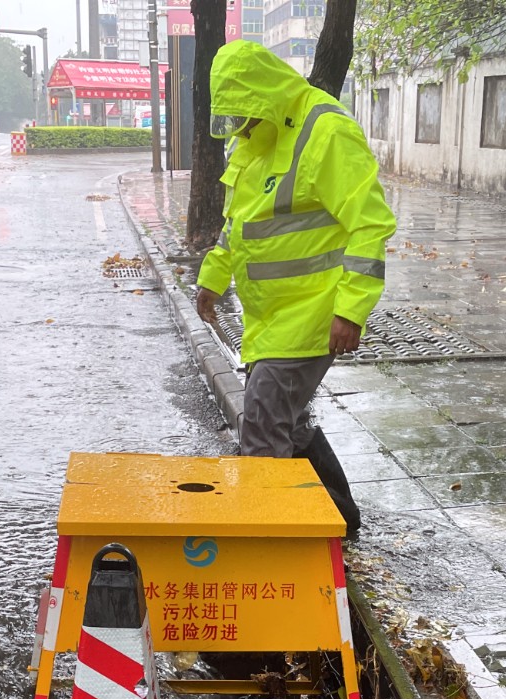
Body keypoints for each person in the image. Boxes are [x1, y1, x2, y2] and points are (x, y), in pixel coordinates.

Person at [194, 41, 396, 537]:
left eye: (246, 115)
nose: (239, 127)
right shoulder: (253, 141)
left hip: (314, 314)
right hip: (271, 318)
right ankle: (341, 521)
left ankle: (274, 544)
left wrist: (351, 309)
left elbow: (370, 224)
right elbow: (239, 227)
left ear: (265, 96)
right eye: (233, 118)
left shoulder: (324, 131)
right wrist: (213, 278)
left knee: (263, 422)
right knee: (284, 417)